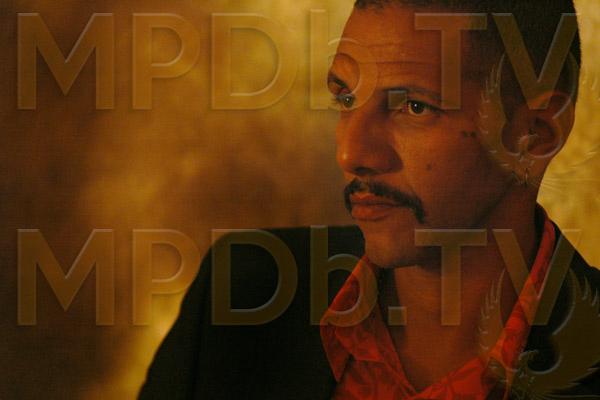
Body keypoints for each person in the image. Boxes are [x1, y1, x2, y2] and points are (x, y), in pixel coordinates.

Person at [139, 1, 600, 399]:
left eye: (414, 107)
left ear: (535, 134)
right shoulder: (242, 295)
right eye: (346, 99)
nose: (351, 154)